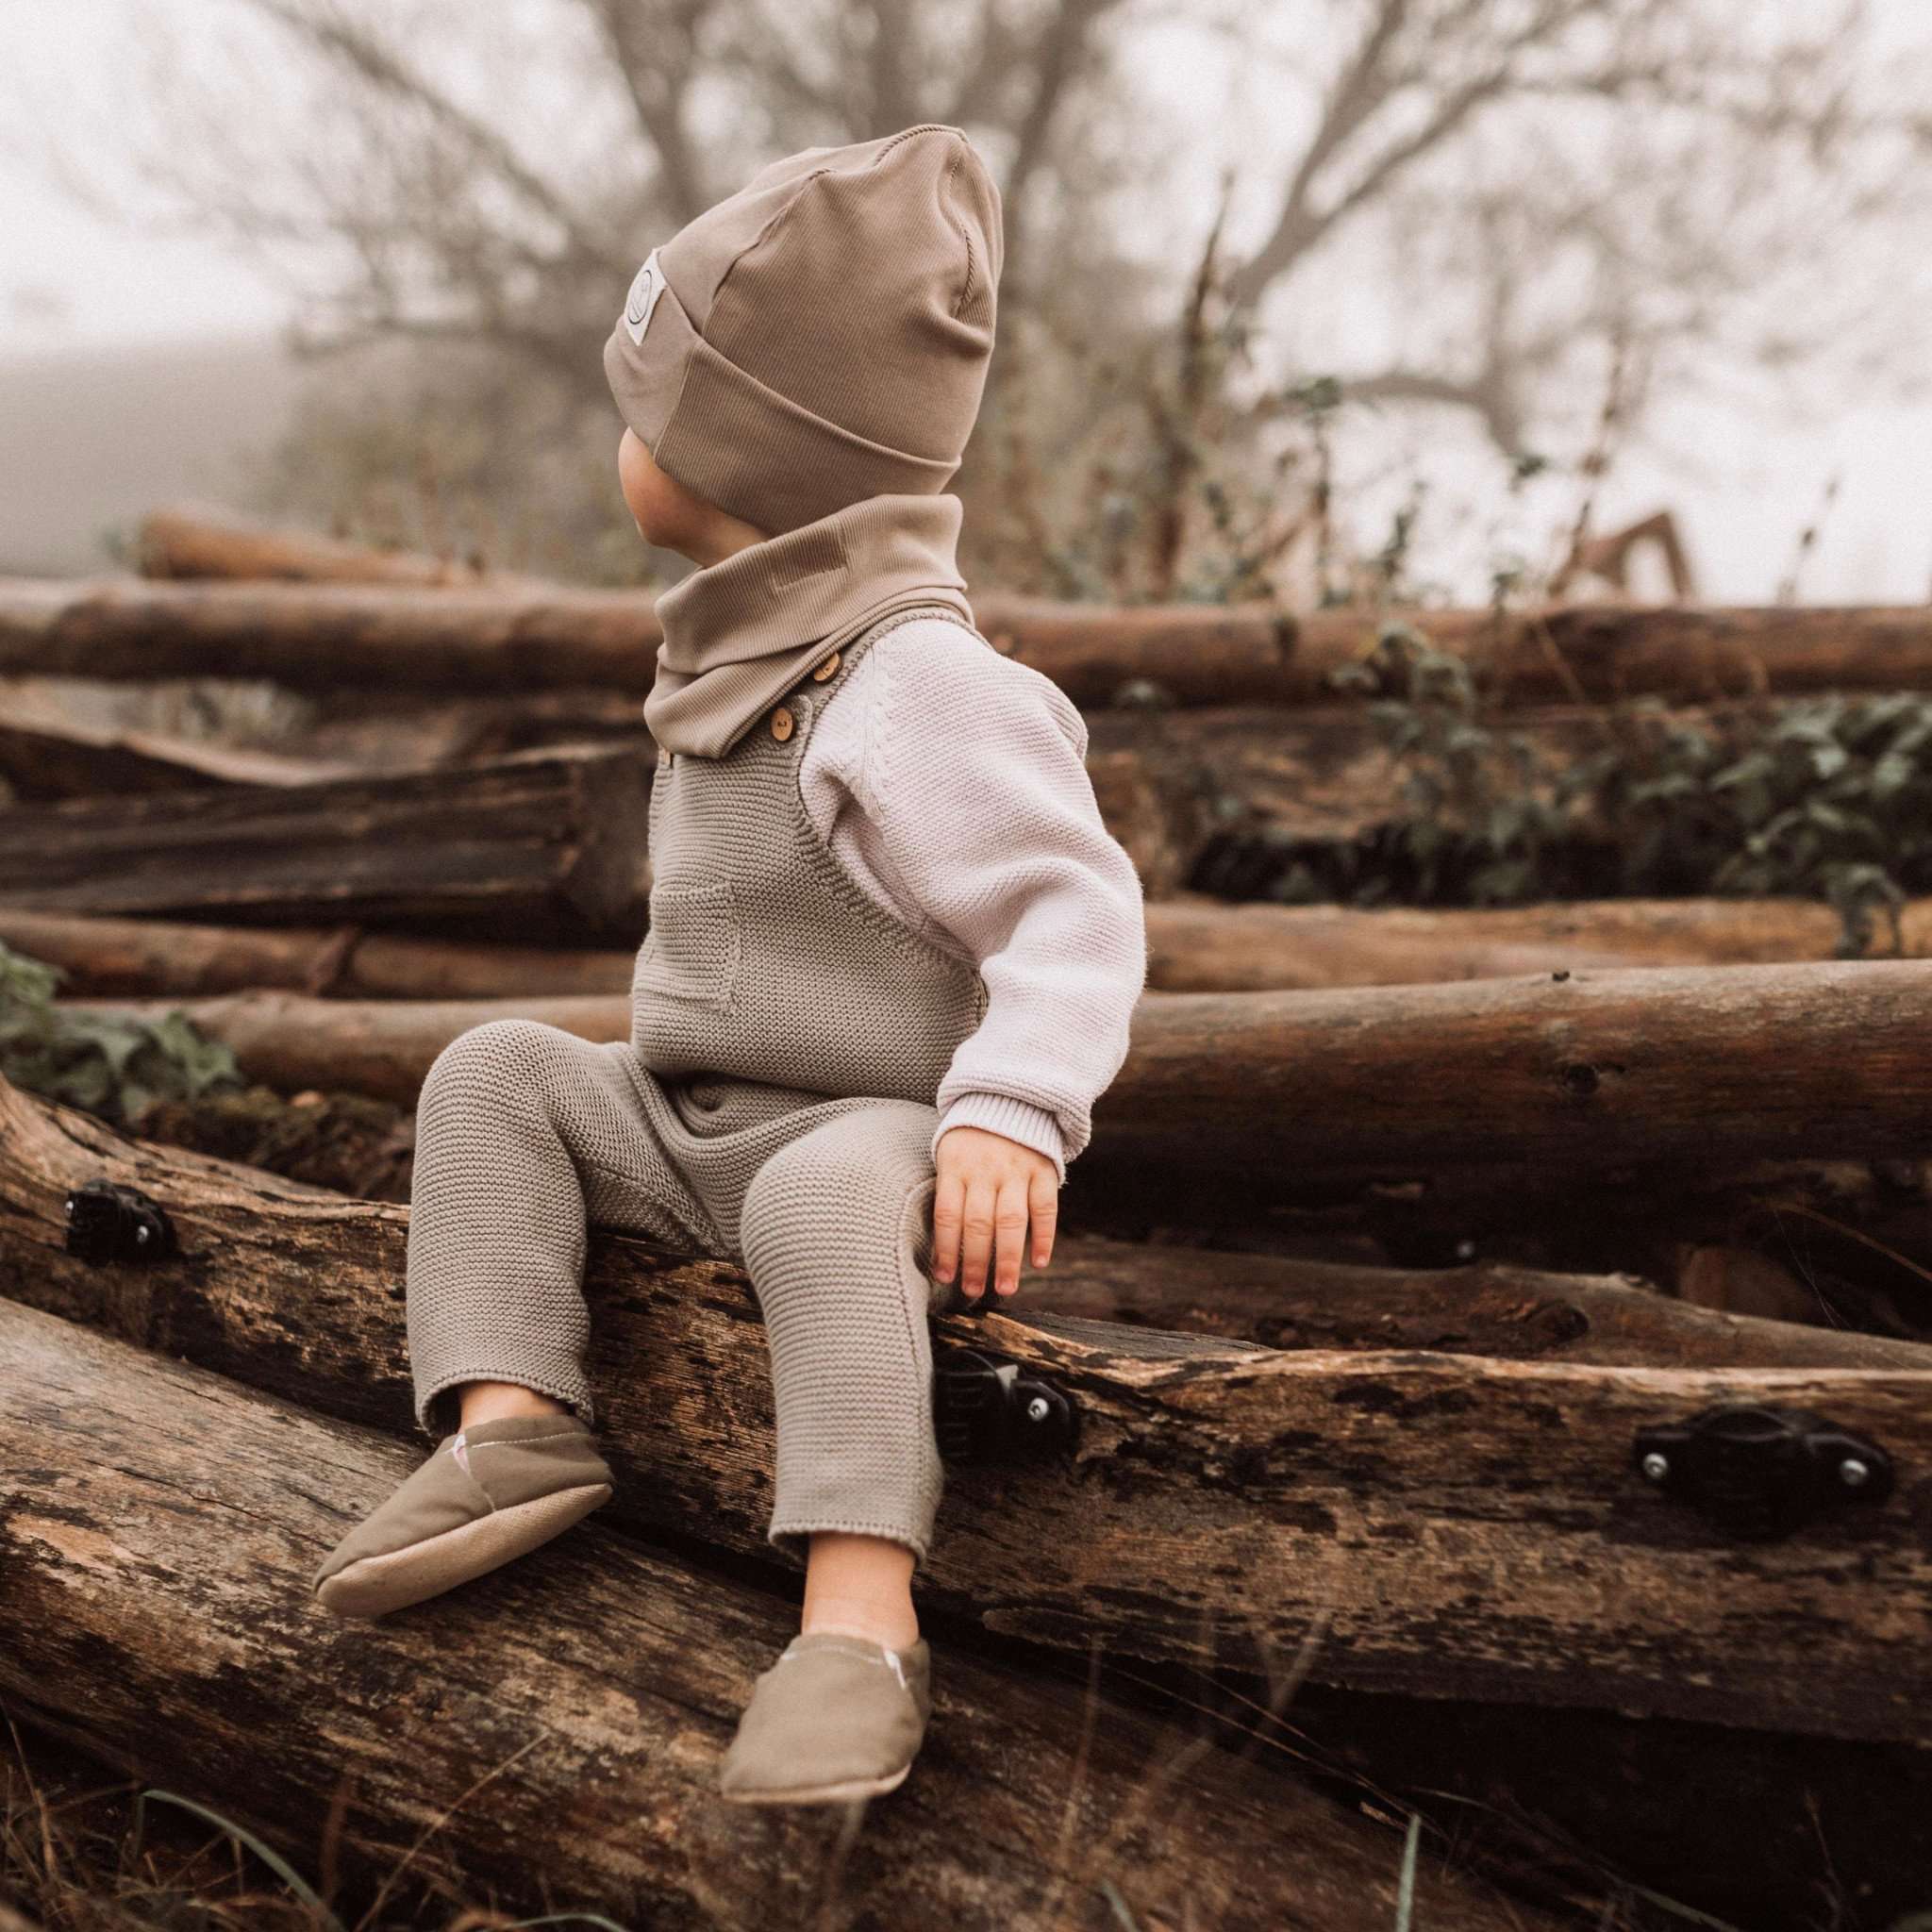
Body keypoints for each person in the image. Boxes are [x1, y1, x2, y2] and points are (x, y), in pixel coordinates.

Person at [310, 124, 1147, 1807]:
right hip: (679, 1113)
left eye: (650, 410)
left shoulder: (917, 682)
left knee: (820, 1207)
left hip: (858, 1129)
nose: (627, 439)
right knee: (493, 1071)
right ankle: (510, 1422)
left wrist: (1008, 1112)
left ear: (752, 453)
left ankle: (857, 1615)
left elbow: (1074, 907)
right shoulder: (750, 648)